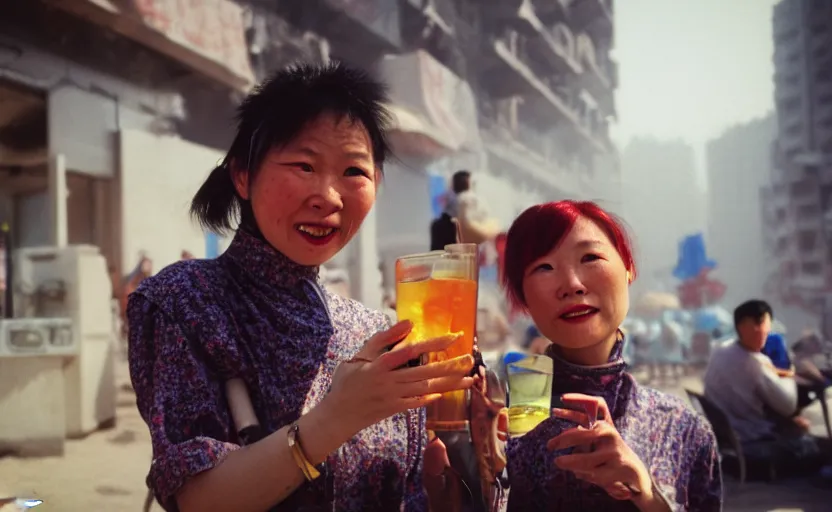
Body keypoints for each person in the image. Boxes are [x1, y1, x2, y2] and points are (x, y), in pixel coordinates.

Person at [128, 63, 475, 512]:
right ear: (242, 175)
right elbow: (199, 499)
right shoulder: (185, 300)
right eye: (304, 165)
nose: (329, 197)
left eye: (354, 171)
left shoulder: (374, 328)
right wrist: (337, 417)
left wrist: (470, 463)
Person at [501, 201, 721, 510]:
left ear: (629, 268)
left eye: (590, 257)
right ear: (523, 298)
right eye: (544, 267)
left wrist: (646, 494)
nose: (572, 285)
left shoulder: (682, 427)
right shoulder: (504, 414)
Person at [705, 301, 831, 464]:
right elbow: (787, 406)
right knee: (811, 441)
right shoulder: (756, 363)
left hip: (726, 427)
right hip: (749, 434)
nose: (765, 331)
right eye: (764, 325)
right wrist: (789, 373)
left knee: (793, 421)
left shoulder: (720, 350)